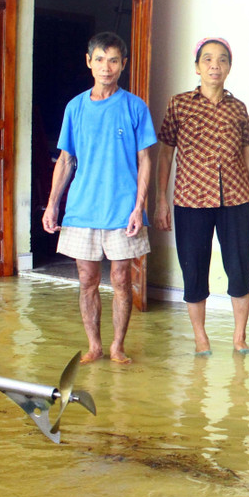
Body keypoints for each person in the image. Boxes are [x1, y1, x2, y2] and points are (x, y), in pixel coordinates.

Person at [43, 31, 158, 365]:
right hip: (82, 209)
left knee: (122, 279)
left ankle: (117, 346)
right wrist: (52, 204)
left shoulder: (135, 107)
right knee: (87, 280)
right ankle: (94, 346)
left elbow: (145, 160)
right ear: (89, 62)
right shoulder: (75, 107)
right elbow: (66, 160)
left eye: (113, 60)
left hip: (123, 210)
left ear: (123, 64)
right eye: (99, 59)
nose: (106, 67)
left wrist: (139, 207)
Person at [154, 37, 249, 355]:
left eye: (222, 60)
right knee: (193, 270)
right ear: (197, 67)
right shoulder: (179, 104)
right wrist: (161, 199)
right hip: (191, 201)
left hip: (235, 200)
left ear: (229, 67)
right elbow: (165, 154)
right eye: (207, 59)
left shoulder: (238, 108)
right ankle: (201, 338)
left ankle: (239, 337)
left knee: (240, 270)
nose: (214, 65)